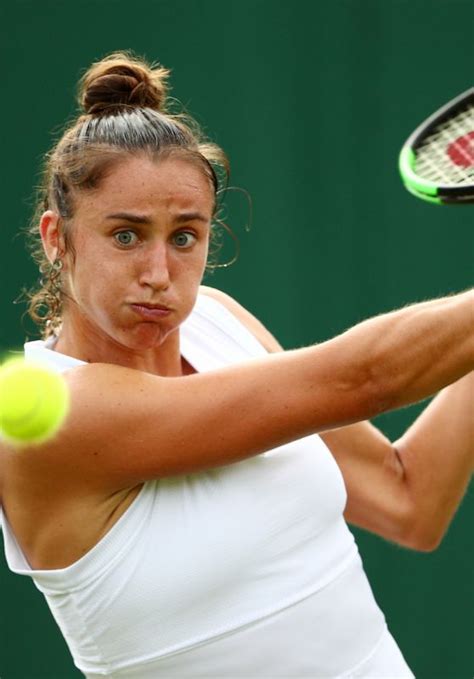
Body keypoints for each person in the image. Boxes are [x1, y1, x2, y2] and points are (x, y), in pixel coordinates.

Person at [0, 51, 472, 679]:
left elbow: (407, 497)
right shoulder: (45, 417)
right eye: (125, 235)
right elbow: (365, 377)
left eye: (185, 236)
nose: (159, 274)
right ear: (58, 237)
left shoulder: (217, 321)